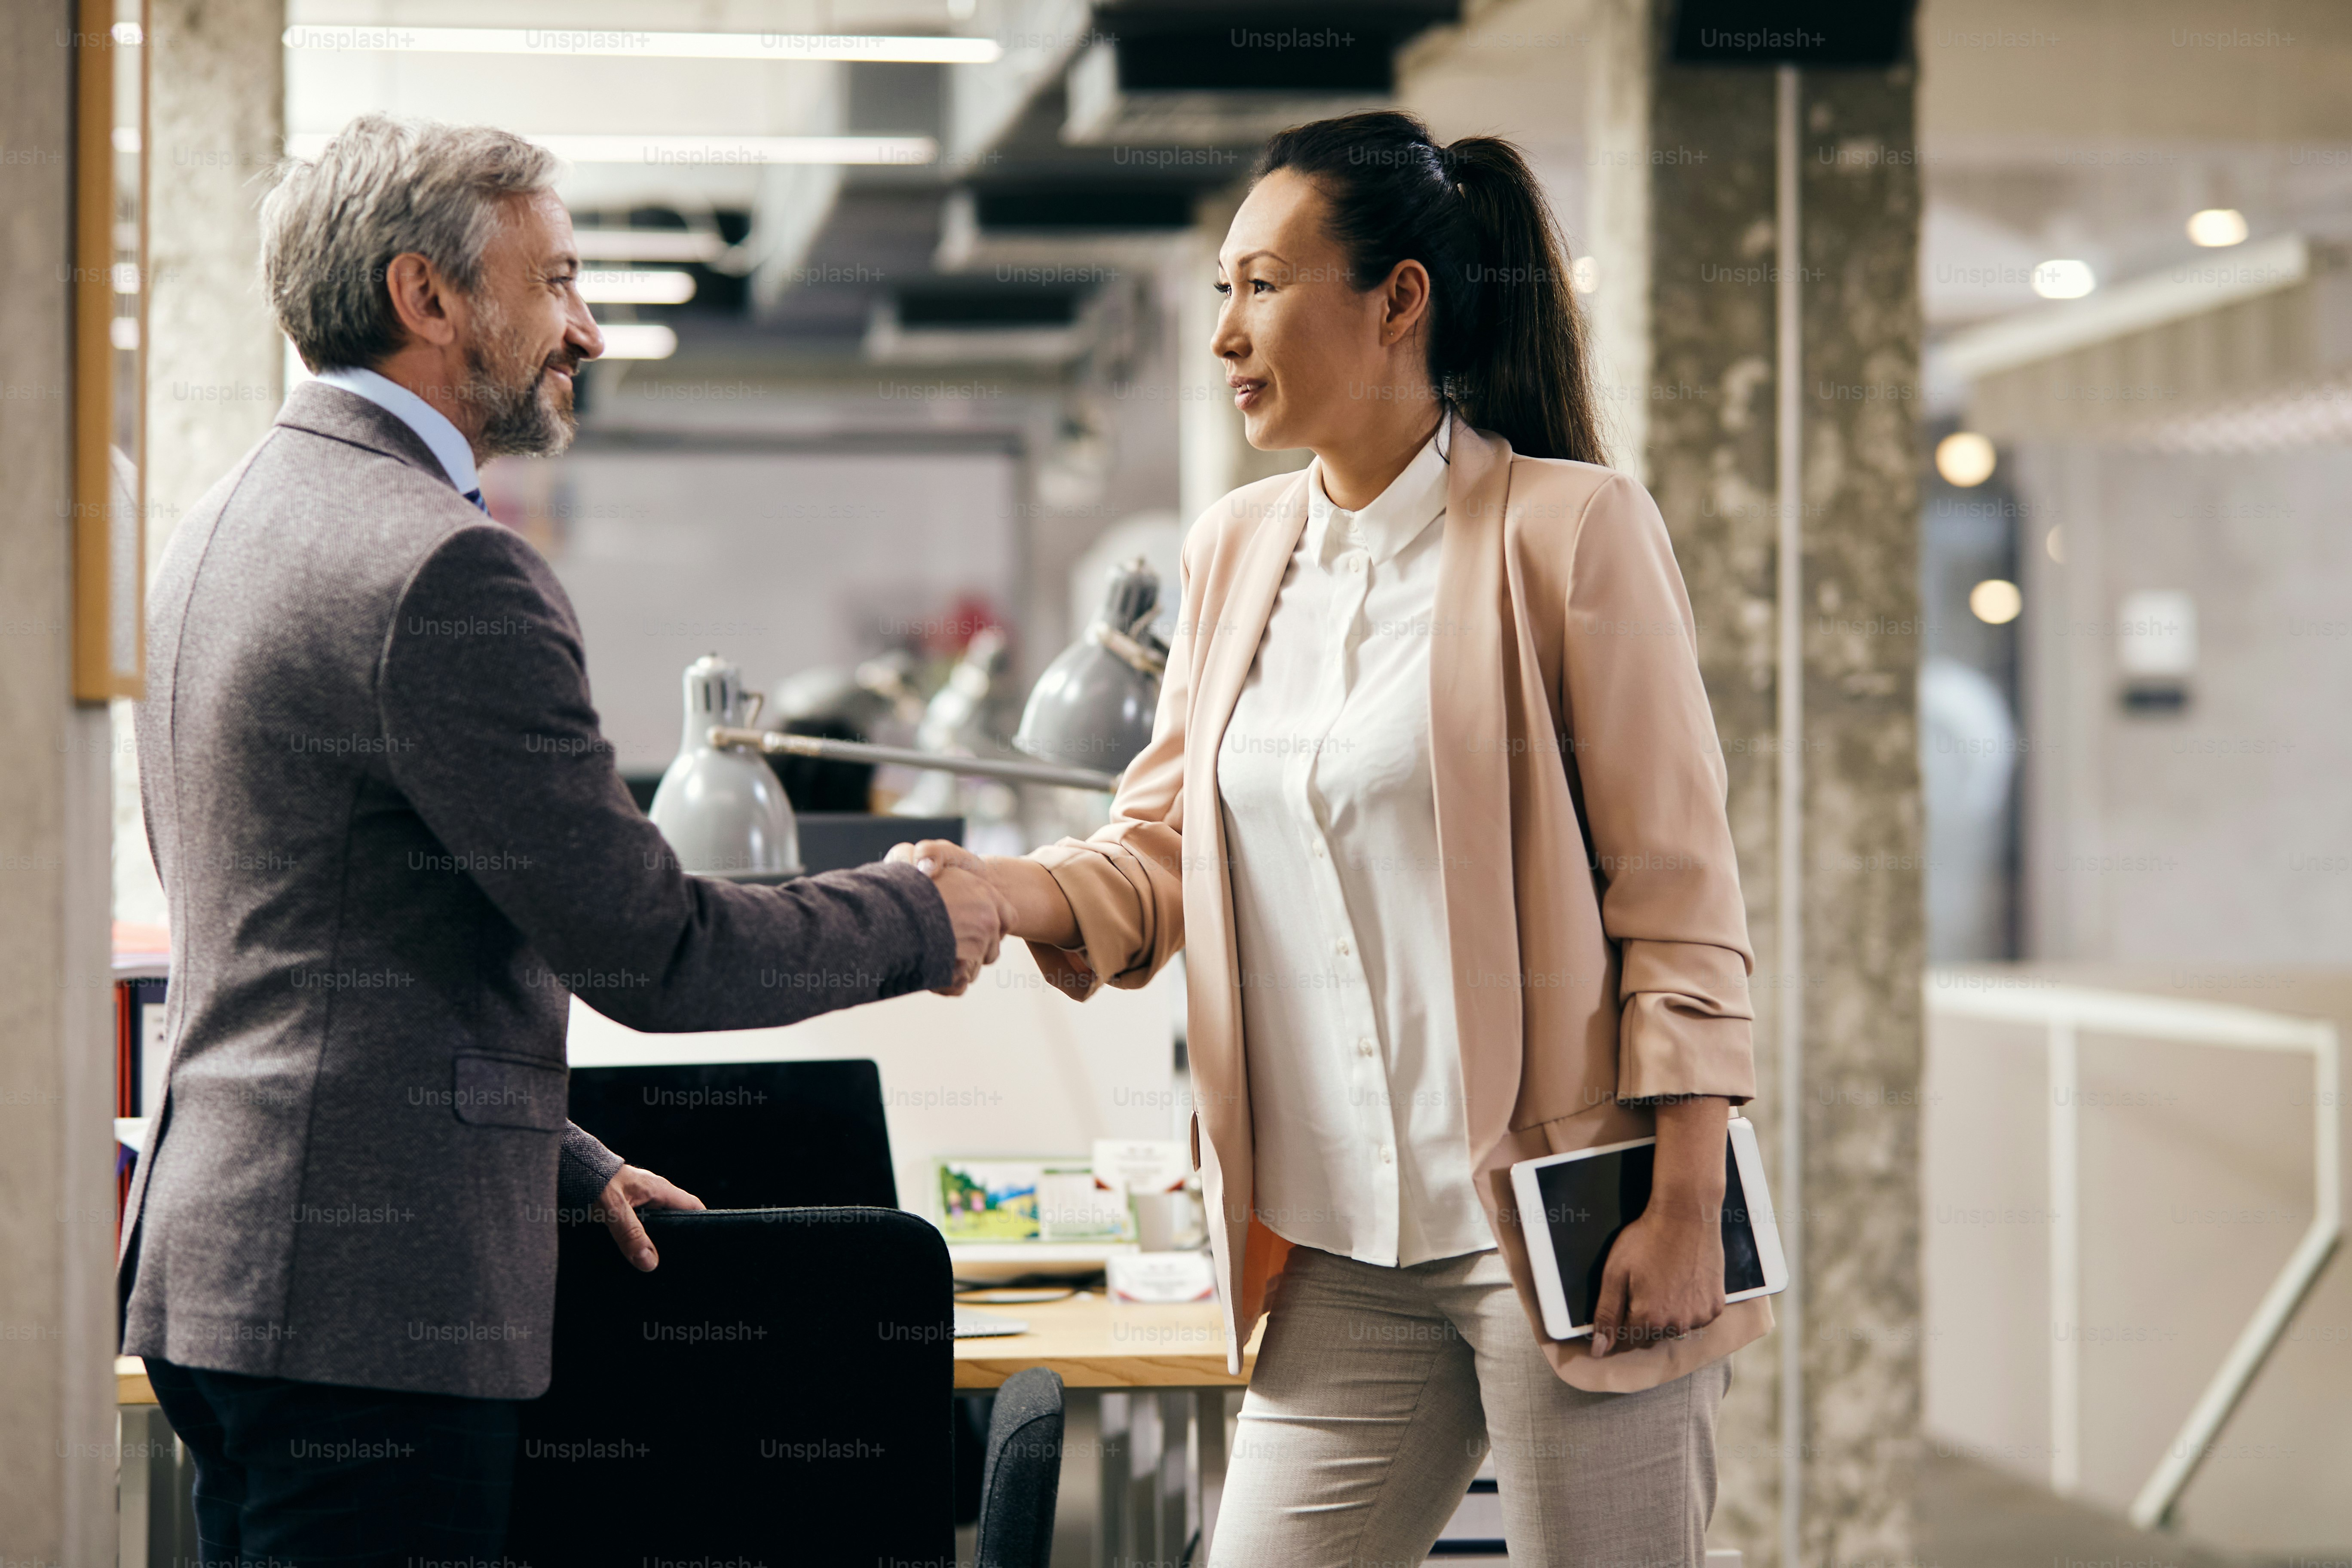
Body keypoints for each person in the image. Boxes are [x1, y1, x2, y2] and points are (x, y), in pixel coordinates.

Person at [121, 114, 1010, 1567]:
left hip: (230, 1276)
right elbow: (653, 948)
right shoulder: (442, 566)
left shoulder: (225, 523)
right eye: (557, 282)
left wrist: (559, 1153)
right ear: (429, 298)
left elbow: (319, 941)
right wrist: (925, 915)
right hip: (370, 1314)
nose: (587, 328)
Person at [894, 110, 1766, 1565]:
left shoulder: (1571, 534)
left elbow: (1677, 893)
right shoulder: (1232, 549)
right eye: (1222, 290)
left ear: (1398, 301)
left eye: (1261, 286)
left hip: (1559, 1230)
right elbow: (1163, 848)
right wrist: (1004, 892)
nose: (1225, 333)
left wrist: (1686, 1201)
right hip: (1336, 1246)